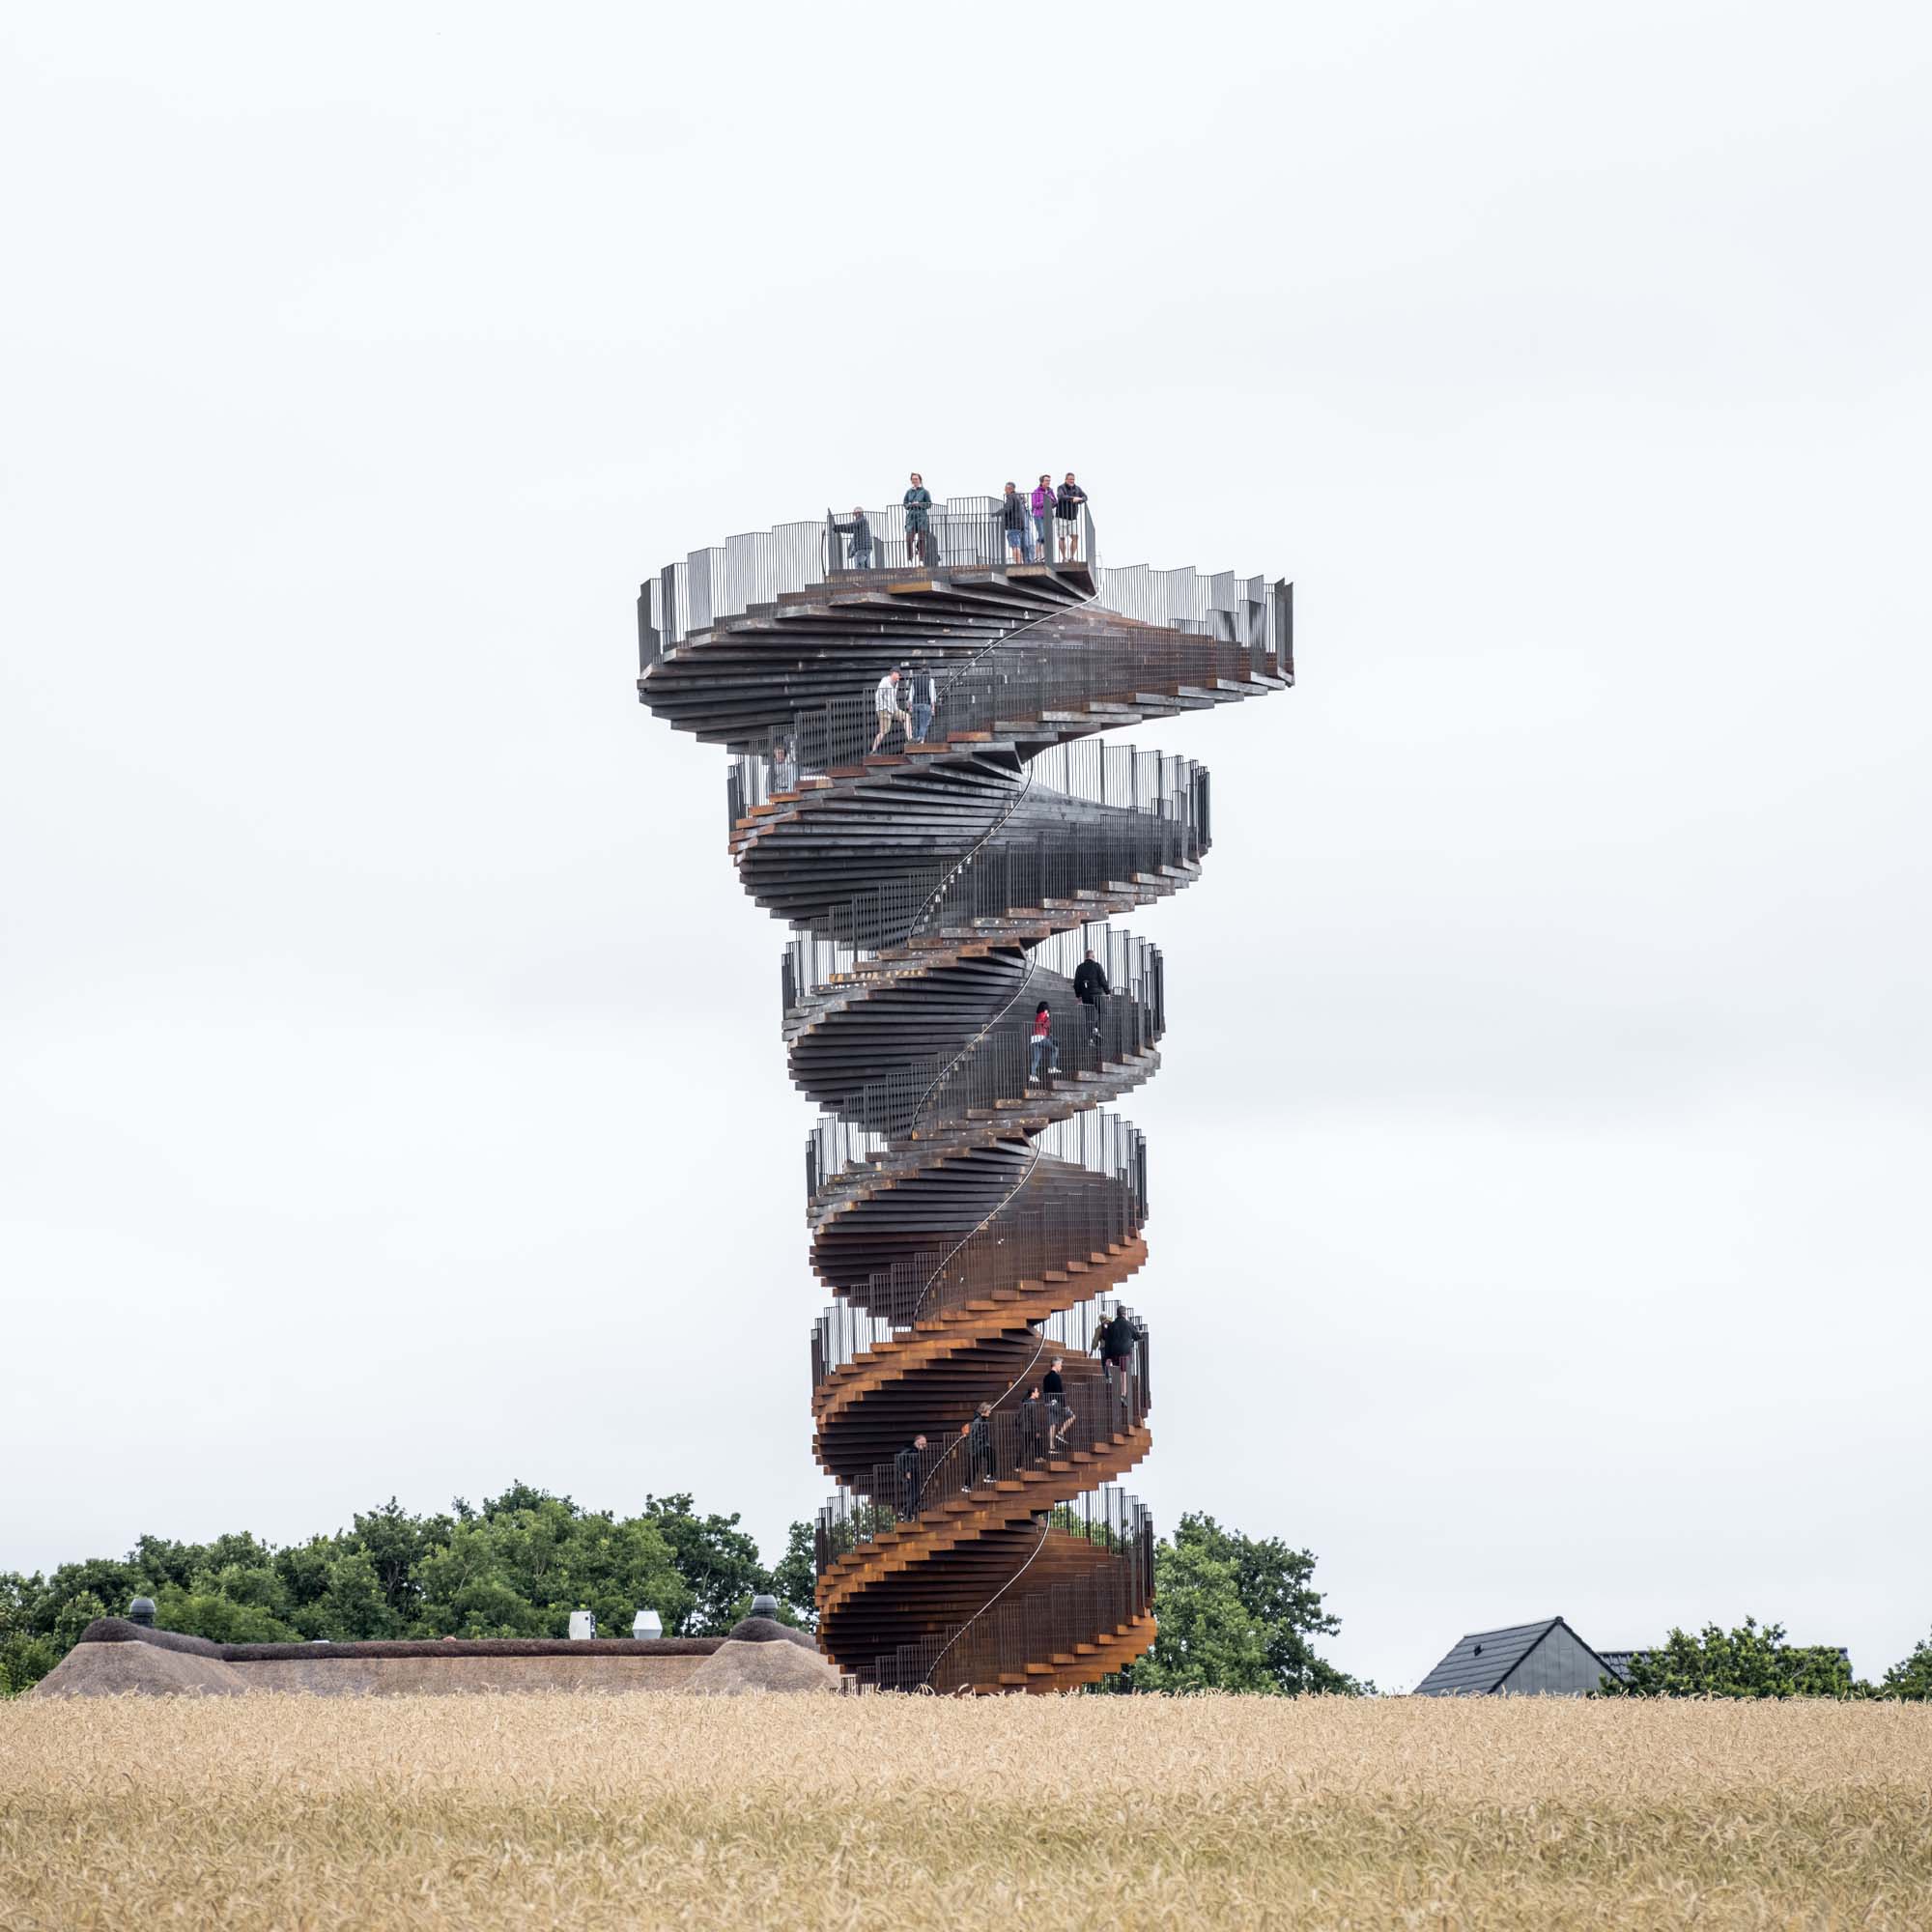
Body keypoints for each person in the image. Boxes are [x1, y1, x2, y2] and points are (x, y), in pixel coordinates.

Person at [1097, 1305, 1135, 1408]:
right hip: (1125, 1353)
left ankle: (1117, 1393)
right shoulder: (1129, 1324)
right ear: (1125, 1314)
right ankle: (1123, 1394)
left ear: (1117, 1314)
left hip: (1114, 1353)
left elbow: (1108, 1342)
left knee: (1117, 1373)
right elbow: (1137, 1336)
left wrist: (1108, 1357)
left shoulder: (1112, 1325)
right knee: (1124, 1373)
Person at [1072, 948, 1110, 1046]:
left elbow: (1076, 983)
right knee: (1103, 1012)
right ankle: (1096, 1028)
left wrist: (1078, 996)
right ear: (1093, 957)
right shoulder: (1097, 966)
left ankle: (1090, 1039)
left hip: (1085, 996)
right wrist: (1107, 992)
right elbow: (1102, 980)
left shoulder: (1080, 967)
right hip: (1096, 995)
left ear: (1085, 957)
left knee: (1089, 1017)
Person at [871, 668, 909, 753]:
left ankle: (910, 740)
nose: (899, 677)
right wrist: (883, 708)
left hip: (893, 709)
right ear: (894, 673)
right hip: (884, 710)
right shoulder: (885, 681)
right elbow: (878, 696)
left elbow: (893, 697)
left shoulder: (896, 683)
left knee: (907, 717)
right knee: (883, 731)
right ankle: (873, 751)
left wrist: (895, 708)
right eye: (899, 675)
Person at [1054, 473, 1088, 562]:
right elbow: (1061, 496)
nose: (1072, 481)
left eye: (1073, 479)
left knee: (1075, 537)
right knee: (1062, 537)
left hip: (1073, 518)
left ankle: (1072, 557)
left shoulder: (1077, 488)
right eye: (1070, 479)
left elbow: (1085, 497)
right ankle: (1064, 558)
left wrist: (1080, 499)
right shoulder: (1061, 487)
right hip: (1061, 517)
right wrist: (1074, 498)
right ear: (1066, 479)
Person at [1043, 1358, 1075, 1453]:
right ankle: (1060, 1433)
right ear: (1056, 1365)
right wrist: (1064, 1406)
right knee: (1072, 1416)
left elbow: (1045, 1392)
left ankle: (1051, 1447)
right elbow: (1059, 1393)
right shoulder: (1056, 1377)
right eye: (1060, 1365)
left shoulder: (1046, 1377)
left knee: (1052, 1425)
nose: (1061, 1367)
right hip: (1056, 1403)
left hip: (1048, 1403)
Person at [997, 482, 1033, 564]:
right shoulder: (1018, 499)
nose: (1004, 490)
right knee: (1018, 545)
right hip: (1019, 526)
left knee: (1015, 546)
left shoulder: (1011, 497)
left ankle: (1018, 564)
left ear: (1010, 489)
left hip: (1013, 525)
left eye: (1006, 489)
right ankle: (1020, 563)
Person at [961, 1403, 994, 1490]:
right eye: (989, 1410)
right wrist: (972, 1450)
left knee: (991, 1455)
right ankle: (967, 1485)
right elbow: (973, 1436)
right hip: (977, 1448)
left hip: (982, 1446)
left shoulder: (984, 1420)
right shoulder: (977, 1421)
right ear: (984, 1411)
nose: (990, 1412)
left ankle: (989, 1476)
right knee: (974, 1468)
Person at [902, 473, 933, 564]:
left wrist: (919, 504)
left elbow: (929, 504)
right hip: (911, 518)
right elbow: (905, 503)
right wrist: (909, 505)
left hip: (922, 518)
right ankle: (910, 559)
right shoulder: (909, 492)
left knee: (921, 539)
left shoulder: (925, 492)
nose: (914, 481)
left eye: (916, 479)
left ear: (920, 480)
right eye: (913, 479)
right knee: (909, 539)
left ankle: (921, 559)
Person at [895, 1433, 927, 1518]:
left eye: (925, 1443)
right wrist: (906, 1472)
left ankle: (905, 1512)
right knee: (913, 1495)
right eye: (923, 1442)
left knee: (917, 1496)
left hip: (915, 1474)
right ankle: (906, 1513)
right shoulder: (910, 1450)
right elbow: (899, 1460)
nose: (925, 1445)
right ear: (917, 1441)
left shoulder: (917, 1451)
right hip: (910, 1476)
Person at [903, 665, 938, 744]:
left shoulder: (915, 680)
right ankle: (921, 742)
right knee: (923, 725)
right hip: (925, 705)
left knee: (916, 725)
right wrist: (933, 707)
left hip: (915, 705)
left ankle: (915, 742)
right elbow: (932, 694)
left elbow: (911, 694)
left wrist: (910, 706)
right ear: (929, 672)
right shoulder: (930, 680)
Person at [1028, 1000, 1059, 1087]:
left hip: (1034, 1039)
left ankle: (1033, 1076)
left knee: (1036, 1059)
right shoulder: (1043, 1014)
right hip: (1040, 1038)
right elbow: (1046, 1025)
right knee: (1054, 1049)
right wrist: (1047, 1017)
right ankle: (1052, 1067)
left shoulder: (1038, 1015)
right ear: (1046, 1008)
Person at [835, 505, 873, 570]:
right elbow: (850, 529)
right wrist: (839, 529)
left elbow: (852, 525)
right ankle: (866, 574)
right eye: (855, 514)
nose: (855, 516)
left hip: (862, 547)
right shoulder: (861, 522)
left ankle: (861, 575)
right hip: (865, 547)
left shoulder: (862, 520)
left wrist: (839, 527)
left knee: (859, 566)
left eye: (856, 514)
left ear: (859, 513)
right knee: (866, 566)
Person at [1030, 473, 1056, 561]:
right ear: (1042, 482)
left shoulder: (1050, 491)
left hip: (1048, 516)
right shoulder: (1036, 491)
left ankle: (1044, 557)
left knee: (1046, 536)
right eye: (1046, 481)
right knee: (1042, 535)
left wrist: (1051, 500)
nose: (1048, 482)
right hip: (1038, 516)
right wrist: (1046, 500)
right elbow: (1034, 505)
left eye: (1049, 481)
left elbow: (1055, 502)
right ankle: (1037, 556)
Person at [1017, 1384, 1044, 1465]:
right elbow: (1033, 1418)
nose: (1038, 1393)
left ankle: (1018, 1466)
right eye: (1037, 1391)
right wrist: (1037, 1430)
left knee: (1028, 1446)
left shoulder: (1026, 1402)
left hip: (1025, 1428)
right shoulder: (1032, 1403)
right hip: (1030, 1429)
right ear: (1033, 1393)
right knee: (1033, 1443)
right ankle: (1038, 1458)